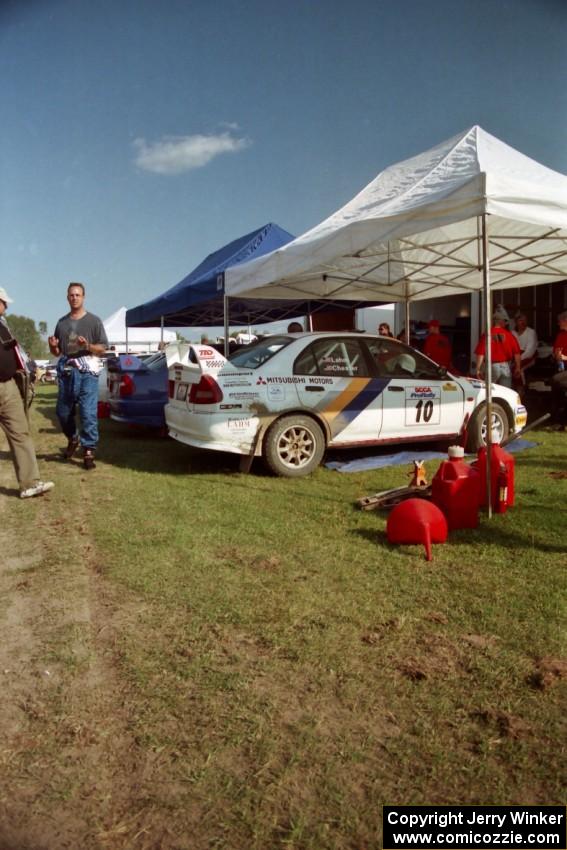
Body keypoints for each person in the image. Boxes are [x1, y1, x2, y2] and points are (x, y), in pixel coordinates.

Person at [0, 287, 54, 498]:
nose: (7, 306)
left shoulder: (4, 324)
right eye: (4, 302)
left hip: (9, 386)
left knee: (20, 433)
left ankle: (30, 483)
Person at [48, 282, 108, 470]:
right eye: (71, 295)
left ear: (84, 297)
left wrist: (87, 346)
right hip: (67, 371)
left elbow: (103, 349)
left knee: (88, 412)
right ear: (67, 298)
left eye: (78, 295)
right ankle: (73, 439)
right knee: (62, 412)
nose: (74, 298)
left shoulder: (94, 321)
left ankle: (89, 450)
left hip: (88, 371)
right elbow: (57, 352)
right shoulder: (62, 323)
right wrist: (52, 345)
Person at [474, 314, 521, 388]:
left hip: (491, 366)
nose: (506, 324)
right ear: (501, 322)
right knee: (506, 391)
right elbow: (517, 353)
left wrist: (478, 369)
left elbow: (481, 353)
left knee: (488, 392)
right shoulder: (509, 335)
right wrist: (518, 367)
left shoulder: (487, 334)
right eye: (505, 321)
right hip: (505, 367)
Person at [551, 310, 567, 430]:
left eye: (559, 321)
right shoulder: (560, 335)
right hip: (561, 367)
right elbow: (555, 351)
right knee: (558, 392)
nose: (558, 323)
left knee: (556, 381)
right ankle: (559, 422)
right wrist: (556, 355)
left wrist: (565, 357)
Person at [512, 313, 538, 387]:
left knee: (517, 368)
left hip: (528, 357)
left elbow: (530, 351)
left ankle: (521, 389)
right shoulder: (512, 333)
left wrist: (517, 360)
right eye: (520, 320)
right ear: (516, 322)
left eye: (525, 320)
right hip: (515, 357)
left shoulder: (531, 332)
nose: (523, 322)